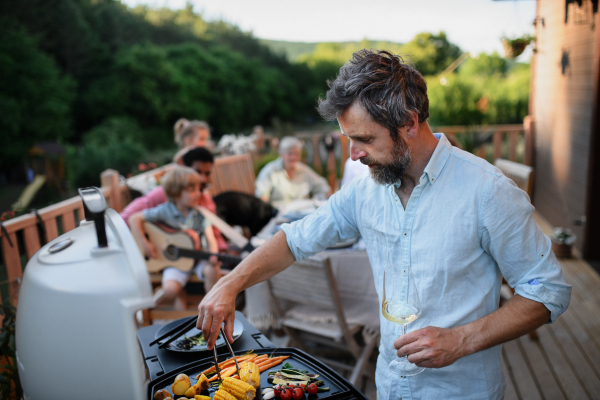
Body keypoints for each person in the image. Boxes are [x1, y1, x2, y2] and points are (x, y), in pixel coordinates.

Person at [196, 50, 571, 400]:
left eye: (364, 139)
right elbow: (295, 240)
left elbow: (547, 290)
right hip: (389, 385)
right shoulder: (365, 192)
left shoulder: (488, 191)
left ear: (409, 123)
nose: (354, 154)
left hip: (460, 390)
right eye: (348, 139)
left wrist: (462, 339)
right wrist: (231, 282)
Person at [129, 166, 221, 309]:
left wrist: (213, 254)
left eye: (198, 189)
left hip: (198, 259)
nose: (198, 194)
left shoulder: (201, 214)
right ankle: (180, 294)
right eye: (192, 191)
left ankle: (212, 305)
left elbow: (210, 238)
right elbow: (134, 218)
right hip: (175, 262)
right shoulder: (164, 211)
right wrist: (145, 243)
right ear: (176, 194)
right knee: (170, 290)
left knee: (212, 271)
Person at [121, 147, 228, 252]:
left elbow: (215, 236)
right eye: (197, 172)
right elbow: (125, 219)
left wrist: (224, 252)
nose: (203, 179)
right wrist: (146, 242)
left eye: (207, 173)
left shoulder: (207, 203)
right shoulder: (167, 193)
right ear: (185, 168)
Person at [255, 136, 331, 208]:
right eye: (290, 154)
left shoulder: (303, 170)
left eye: (297, 154)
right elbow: (262, 197)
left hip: (302, 214)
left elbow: (322, 186)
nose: (293, 157)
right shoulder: (270, 171)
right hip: (279, 215)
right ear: (281, 154)